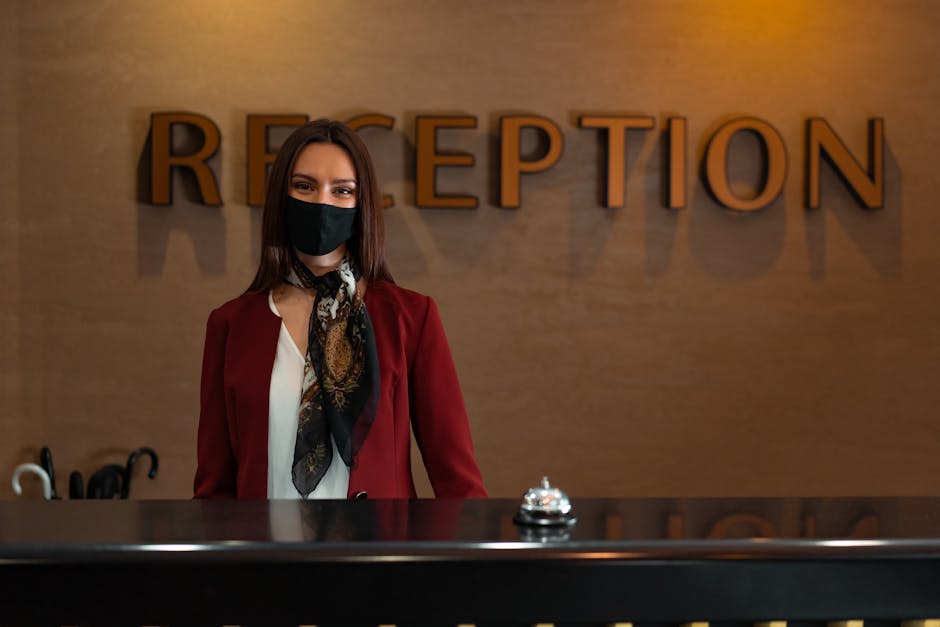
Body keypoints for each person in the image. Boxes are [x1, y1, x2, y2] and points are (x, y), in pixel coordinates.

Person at [194, 119, 486, 499]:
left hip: (379, 554)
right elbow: (213, 489)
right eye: (304, 186)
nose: (322, 203)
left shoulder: (410, 318)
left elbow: (456, 478)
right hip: (263, 554)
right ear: (281, 197)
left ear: (360, 204)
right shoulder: (231, 325)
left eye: (342, 190)